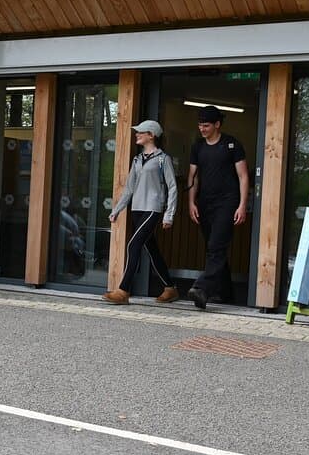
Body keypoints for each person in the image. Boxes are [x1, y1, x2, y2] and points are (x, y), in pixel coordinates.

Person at [103, 119, 179, 305]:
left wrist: (169, 215)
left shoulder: (163, 159)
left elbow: (172, 187)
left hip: (153, 208)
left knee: (133, 245)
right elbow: (129, 188)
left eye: (141, 132)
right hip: (137, 209)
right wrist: (117, 210)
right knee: (152, 250)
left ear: (151, 135)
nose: (137, 134)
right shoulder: (137, 159)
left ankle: (123, 291)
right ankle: (170, 288)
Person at [186, 105, 249, 310]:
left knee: (216, 247)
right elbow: (192, 177)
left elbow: (243, 176)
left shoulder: (232, 144)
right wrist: (191, 202)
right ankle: (226, 292)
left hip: (227, 202)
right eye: (199, 125)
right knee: (214, 248)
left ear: (217, 125)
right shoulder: (198, 147)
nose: (202, 129)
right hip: (205, 202)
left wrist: (242, 205)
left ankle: (201, 288)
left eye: (206, 125)